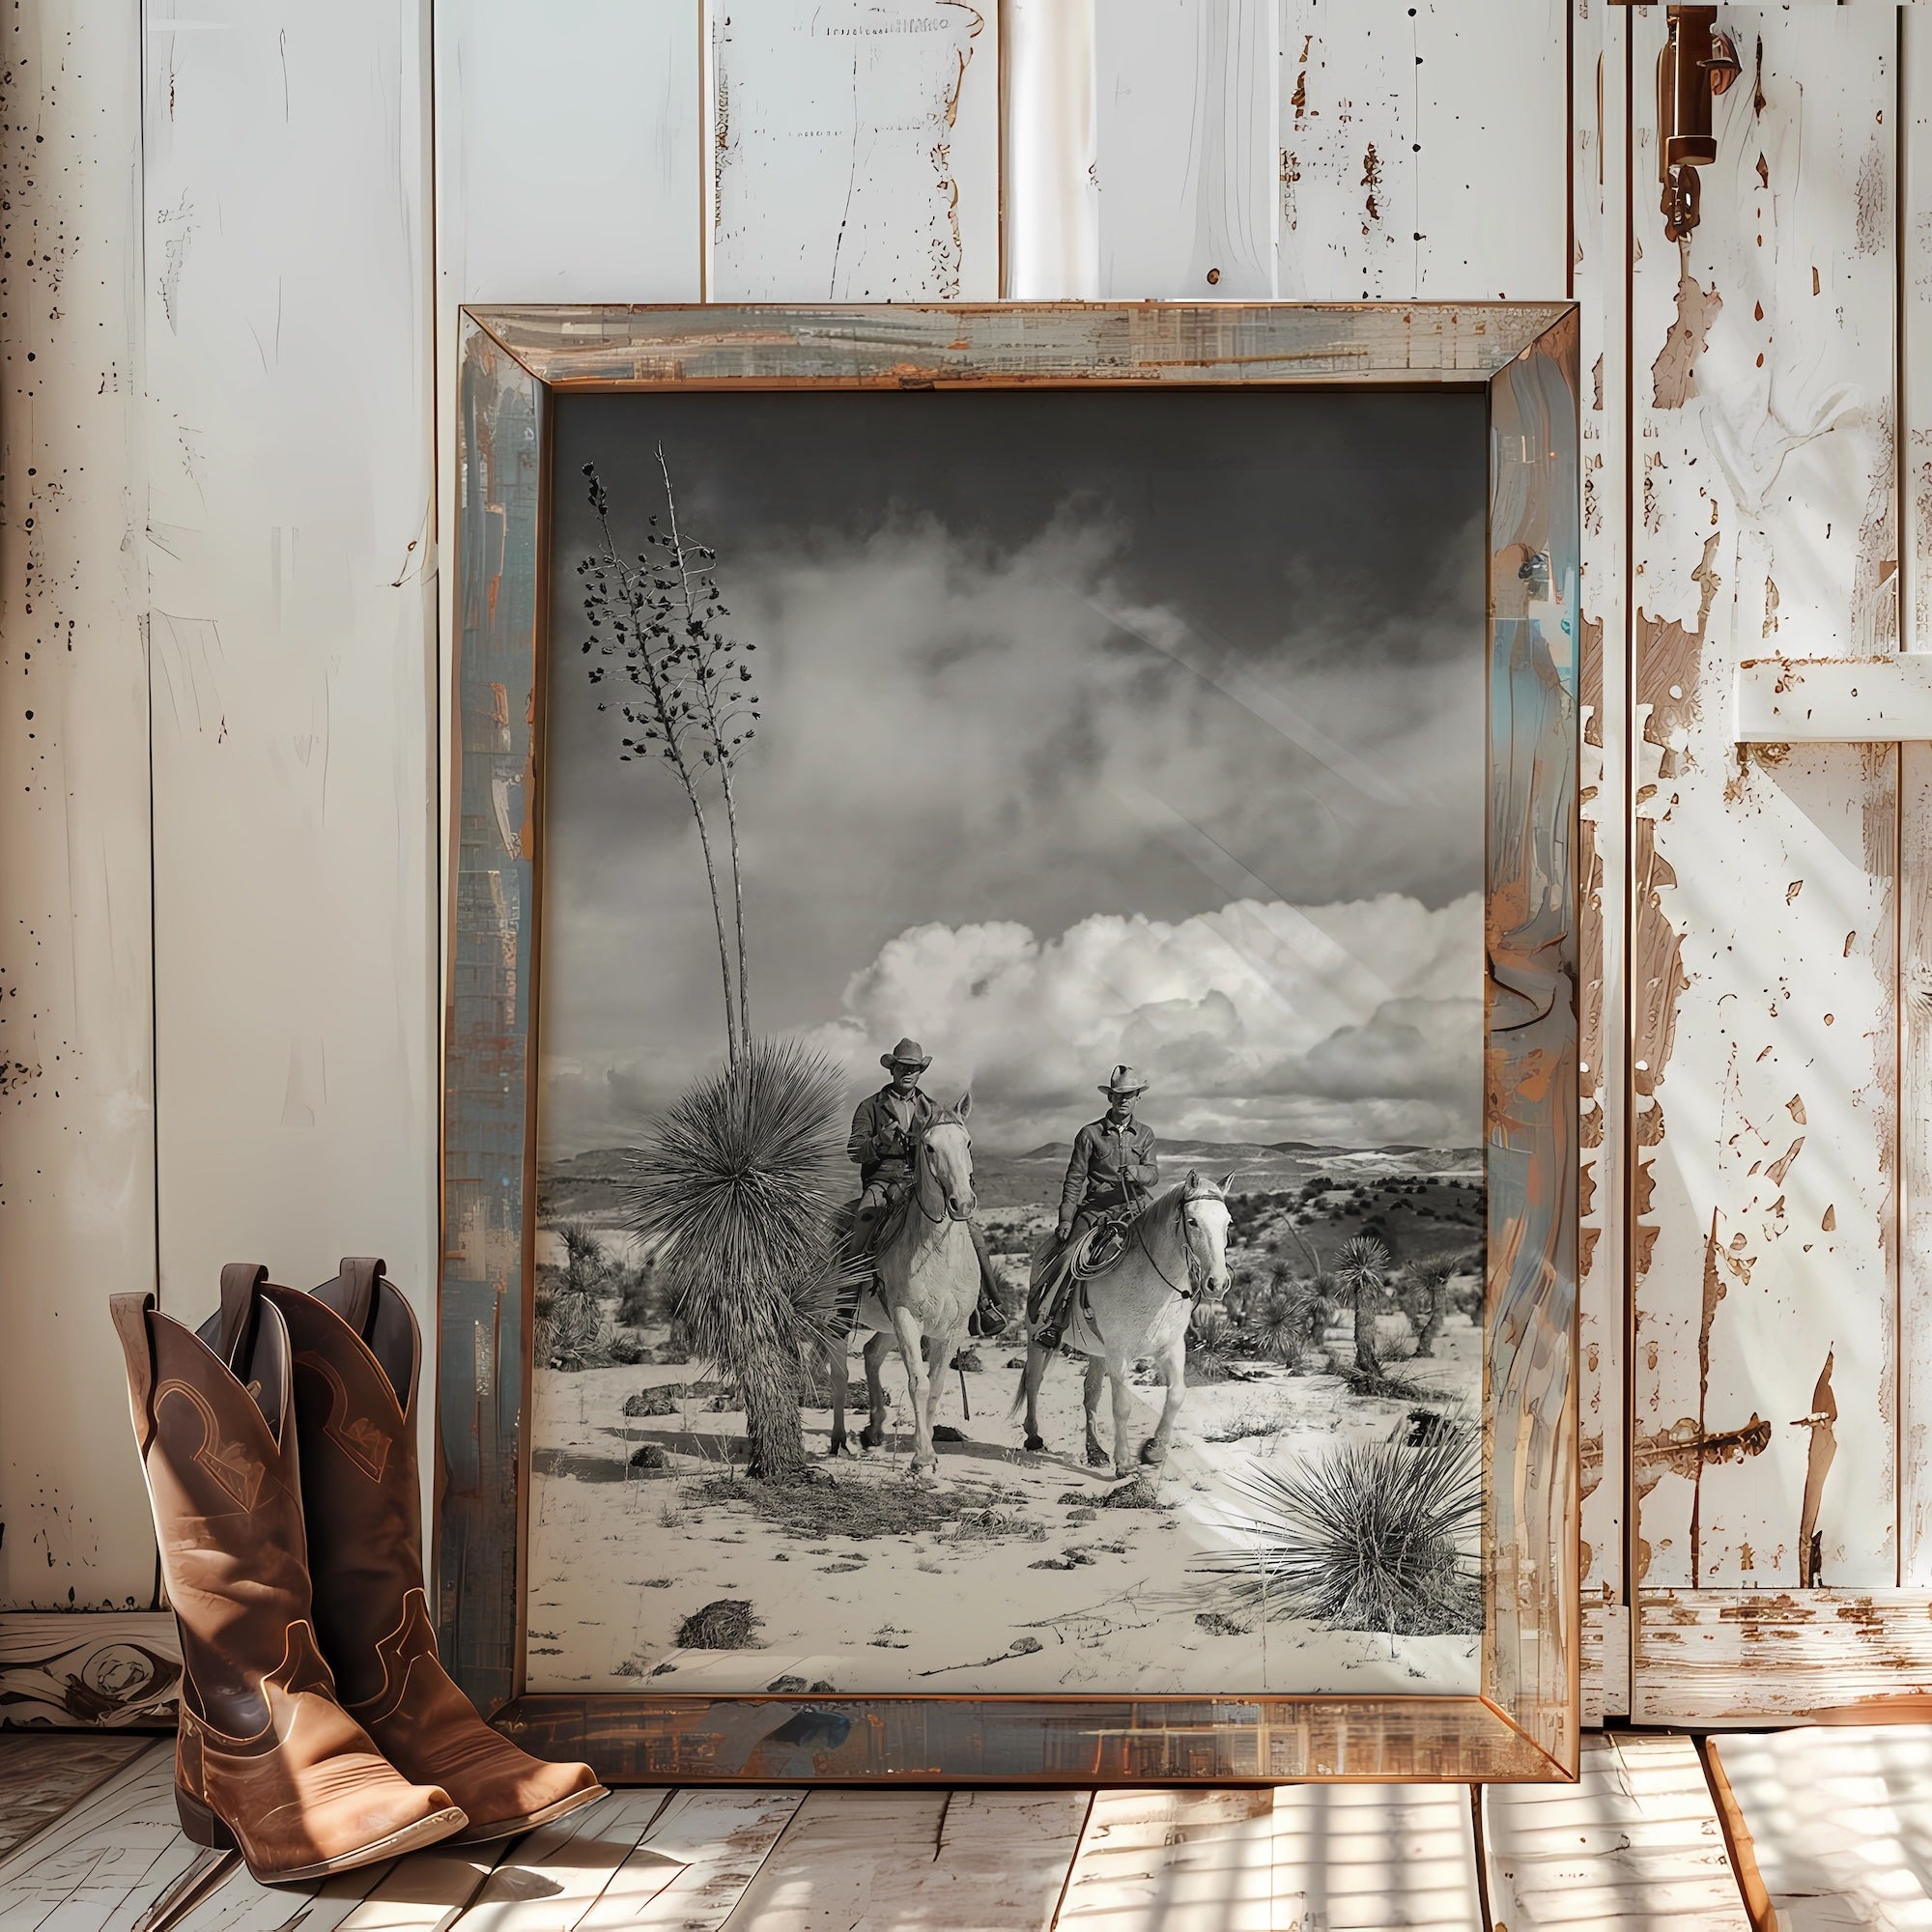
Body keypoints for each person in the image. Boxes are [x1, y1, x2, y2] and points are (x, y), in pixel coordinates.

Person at [845, 1037, 1008, 1337]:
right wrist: (879, 1141)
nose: (908, 1072)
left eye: (914, 1067)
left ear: (921, 1071)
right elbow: (855, 1152)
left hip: (923, 1184)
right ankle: (846, 1298)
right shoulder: (870, 1107)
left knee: (971, 1231)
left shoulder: (931, 1109)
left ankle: (985, 1304)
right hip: (883, 1180)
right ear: (892, 1069)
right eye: (902, 1066)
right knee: (864, 1219)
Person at [1034, 1065, 1160, 1350]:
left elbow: (1153, 1173)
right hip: (1096, 1211)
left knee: (1168, 1246)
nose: (1123, 1099)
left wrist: (1139, 1174)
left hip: (1135, 1208)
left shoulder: (1146, 1134)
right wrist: (1066, 1218)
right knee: (1069, 1257)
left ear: (1138, 1097)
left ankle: (1179, 1320)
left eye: (1129, 1094)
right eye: (1118, 1094)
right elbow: (1075, 1178)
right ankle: (1055, 1323)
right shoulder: (1089, 1134)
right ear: (1110, 1098)